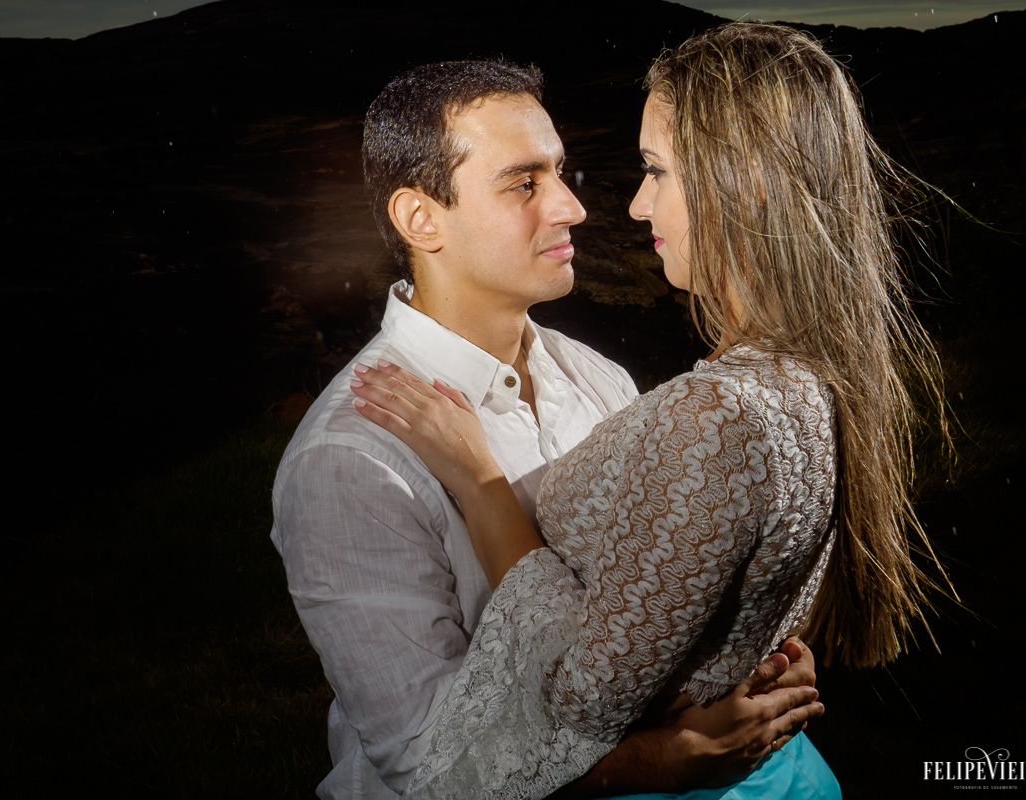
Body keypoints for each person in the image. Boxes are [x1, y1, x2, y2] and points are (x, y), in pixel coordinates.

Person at [350, 22, 951, 799]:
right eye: (524, 182)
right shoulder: (811, 379)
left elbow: (584, 698)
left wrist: (480, 483)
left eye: (656, 171)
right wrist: (738, 658)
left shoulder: (712, 414)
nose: (633, 205)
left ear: (746, 179)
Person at [271, 57, 824, 800]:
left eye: (560, 173)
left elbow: (648, 608)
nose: (572, 207)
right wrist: (660, 760)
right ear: (420, 219)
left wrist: (748, 657)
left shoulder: (598, 378)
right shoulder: (352, 459)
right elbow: (421, 759)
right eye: (523, 184)